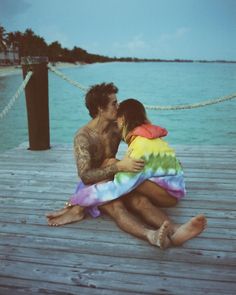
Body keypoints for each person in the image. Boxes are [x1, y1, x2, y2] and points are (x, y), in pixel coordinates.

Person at [47, 84, 207, 249]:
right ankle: (151, 235)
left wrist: (166, 162)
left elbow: (142, 139)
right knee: (118, 207)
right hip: (96, 184)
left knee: (140, 201)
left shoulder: (117, 128)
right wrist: (118, 166)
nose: (119, 106)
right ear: (100, 108)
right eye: (114, 103)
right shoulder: (83, 137)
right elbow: (85, 176)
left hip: (119, 179)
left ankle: (176, 230)